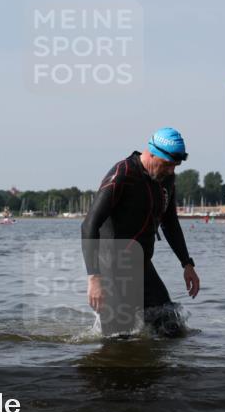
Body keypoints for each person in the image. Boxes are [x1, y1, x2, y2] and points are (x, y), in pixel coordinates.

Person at [81, 127, 201, 336]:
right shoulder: (122, 174)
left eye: (175, 166)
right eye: (167, 164)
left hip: (141, 264)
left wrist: (187, 263)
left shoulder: (166, 179)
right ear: (152, 152)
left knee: (171, 327)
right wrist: (94, 278)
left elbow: (170, 222)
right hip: (111, 268)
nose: (171, 171)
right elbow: (89, 224)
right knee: (119, 341)